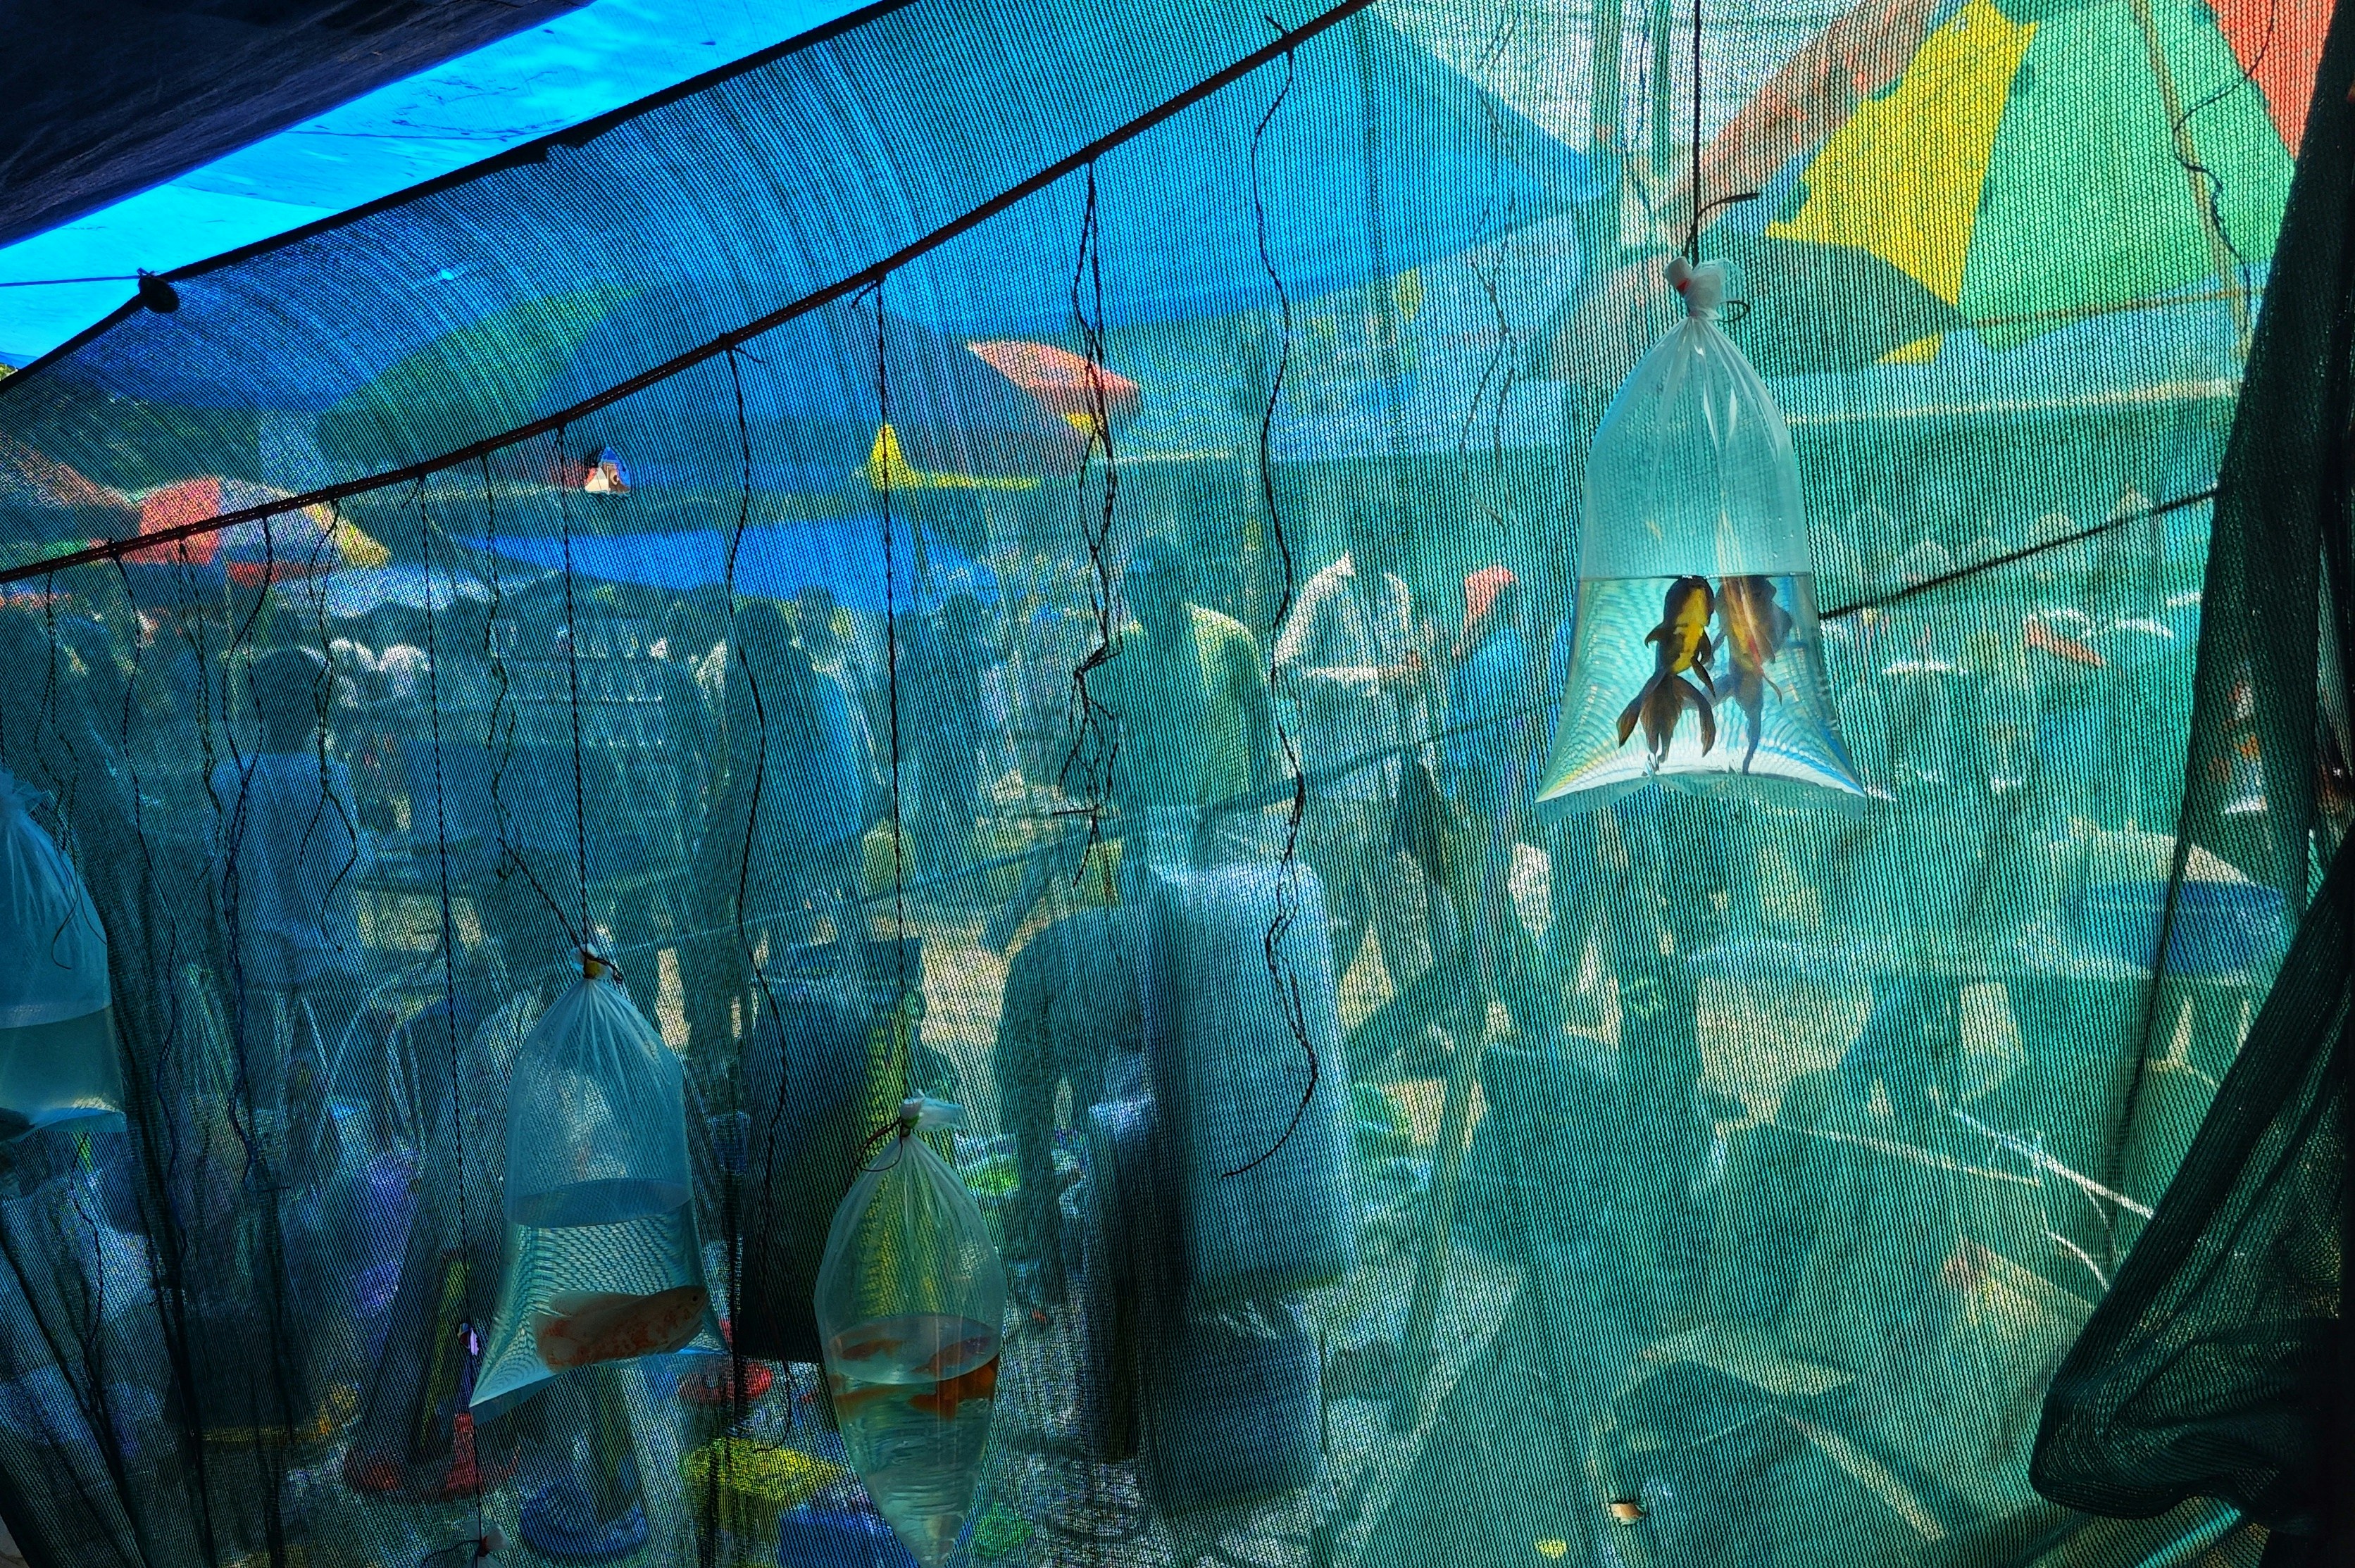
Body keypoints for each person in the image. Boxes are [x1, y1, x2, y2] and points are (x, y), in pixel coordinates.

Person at [208, 646, 371, 1173]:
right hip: (326, 952)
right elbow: (350, 858)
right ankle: (331, 1161)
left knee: (265, 1075)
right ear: (313, 712)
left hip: (258, 955)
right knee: (332, 1062)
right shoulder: (327, 775)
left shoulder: (233, 778)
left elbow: (219, 865)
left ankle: (270, 1160)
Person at [1272, 491, 1435, 996]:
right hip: (1341, 784)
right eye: (1385, 536)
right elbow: (1286, 671)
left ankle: (1410, 1023)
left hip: (1391, 780)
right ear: (1360, 535)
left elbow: (1406, 674)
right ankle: (1309, 1013)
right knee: (1338, 915)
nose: (1394, 547)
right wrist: (1373, 677)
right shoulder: (1323, 590)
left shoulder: (1397, 591)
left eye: (1398, 538)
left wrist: (1416, 668)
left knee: (1401, 909)